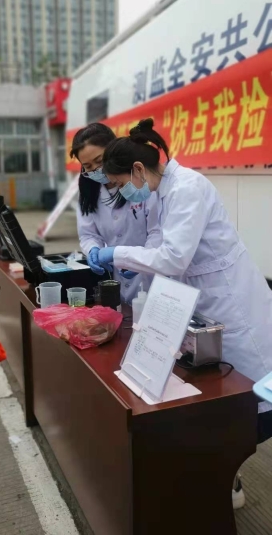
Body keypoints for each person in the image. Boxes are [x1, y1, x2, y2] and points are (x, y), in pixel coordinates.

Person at [99, 117, 272, 508]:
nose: (122, 192)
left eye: (120, 184)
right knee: (220, 392)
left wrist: (118, 254)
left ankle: (226, 474)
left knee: (249, 394)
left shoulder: (188, 187)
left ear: (138, 169)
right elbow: (164, 247)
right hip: (205, 300)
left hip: (231, 301)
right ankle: (221, 473)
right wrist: (137, 261)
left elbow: (174, 257)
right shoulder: (163, 191)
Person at [70, 122, 159, 303]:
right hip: (119, 280)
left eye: (99, 161)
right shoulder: (88, 192)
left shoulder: (141, 183)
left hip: (152, 277)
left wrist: (138, 260)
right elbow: (88, 234)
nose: (96, 169)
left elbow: (157, 233)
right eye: (87, 166)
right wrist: (93, 249)